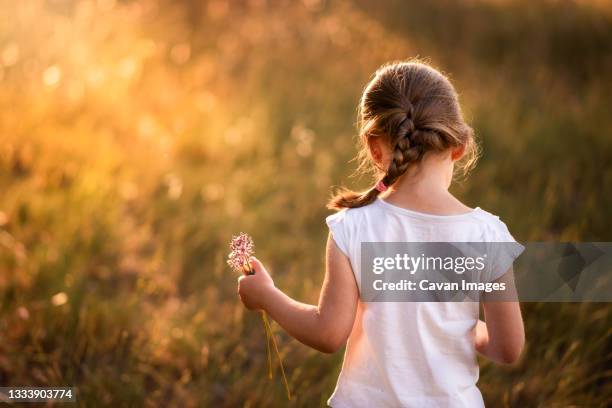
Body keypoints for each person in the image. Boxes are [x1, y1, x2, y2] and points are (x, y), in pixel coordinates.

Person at [237, 60, 525, 407]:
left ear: (375, 148)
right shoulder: (486, 235)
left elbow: (328, 334)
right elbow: (508, 348)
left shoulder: (354, 227)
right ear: (459, 146)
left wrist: (267, 295)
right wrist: (464, 328)